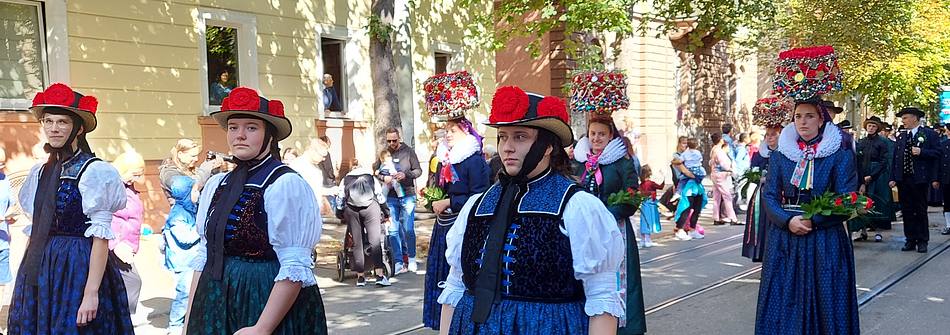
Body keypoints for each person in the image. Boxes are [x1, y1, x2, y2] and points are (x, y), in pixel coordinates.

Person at [438, 86, 625, 334]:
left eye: (520, 137)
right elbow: (454, 287)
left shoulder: (577, 206)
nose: (507, 147)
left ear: (547, 146)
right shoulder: (477, 205)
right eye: (503, 136)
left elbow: (602, 296)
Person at [186, 87, 327, 334]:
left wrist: (262, 328)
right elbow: (205, 255)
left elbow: (295, 265)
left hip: (263, 301)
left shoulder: (284, 184)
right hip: (215, 301)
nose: (240, 135)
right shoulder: (218, 184)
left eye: (251, 127)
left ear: (269, 136)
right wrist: (190, 322)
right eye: (233, 127)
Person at [11, 83, 133, 333]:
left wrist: (91, 293)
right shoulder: (40, 172)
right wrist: (25, 280)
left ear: (78, 129)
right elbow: (35, 228)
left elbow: (100, 238)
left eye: (63, 122)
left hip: (78, 266)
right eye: (48, 121)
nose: (54, 128)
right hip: (42, 267)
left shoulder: (95, 172)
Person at [757, 97, 859, 334]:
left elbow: (846, 200)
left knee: (826, 295)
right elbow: (770, 195)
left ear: (821, 119)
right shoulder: (781, 155)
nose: (803, 122)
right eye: (798, 116)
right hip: (785, 239)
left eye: (809, 116)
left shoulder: (838, 155)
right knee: (784, 295)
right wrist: (787, 220)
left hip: (824, 239)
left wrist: (814, 220)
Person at [420, 70, 490, 331]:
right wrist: (432, 197)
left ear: (464, 129)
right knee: (440, 275)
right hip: (444, 225)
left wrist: (449, 202)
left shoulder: (474, 160)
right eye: (445, 130)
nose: (447, 134)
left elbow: (479, 197)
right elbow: (441, 187)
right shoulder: (446, 159)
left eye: (451, 130)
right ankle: (441, 322)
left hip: (464, 226)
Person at [572, 107, 645, 335]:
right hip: (584, 231)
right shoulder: (580, 162)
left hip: (615, 229)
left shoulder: (622, 163)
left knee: (616, 279)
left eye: (601, 134)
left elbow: (633, 196)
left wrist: (607, 214)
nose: (596, 138)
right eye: (592, 134)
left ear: (610, 136)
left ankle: (623, 327)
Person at [741, 97, 790, 262]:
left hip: (781, 194)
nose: (770, 138)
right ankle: (760, 251)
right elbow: (754, 172)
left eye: (773, 135)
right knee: (761, 221)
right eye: (767, 135)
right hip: (762, 194)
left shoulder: (786, 153)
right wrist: (758, 178)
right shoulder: (759, 154)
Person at [889, 107, 941, 253]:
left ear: (914, 118)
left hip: (919, 179)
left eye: (905, 118)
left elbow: (938, 153)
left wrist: (922, 152)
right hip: (903, 179)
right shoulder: (901, 136)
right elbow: (895, 158)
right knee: (907, 210)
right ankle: (910, 239)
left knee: (920, 210)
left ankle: (922, 240)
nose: (903, 121)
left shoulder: (929, 134)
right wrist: (893, 177)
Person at [109, 150, 149, 326]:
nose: (137, 179)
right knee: (132, 281)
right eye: (134, 174)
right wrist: (115, 243)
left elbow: (131, 214)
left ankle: (120, 319)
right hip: (115, 247)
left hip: (127, 245)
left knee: (123, 283)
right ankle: (123, 318)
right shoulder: (110, 185)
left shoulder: (127, 186)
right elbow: (104, 218)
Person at [338, 159, 392, 287]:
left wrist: (340, 213)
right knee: (375, 241)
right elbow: (380, 196)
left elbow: (340, 198)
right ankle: (379, 275)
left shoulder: (345, 179)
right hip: (370, 208)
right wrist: (386, 211)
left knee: (357, 243)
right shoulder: (370, 178)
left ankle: (360, 277)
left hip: (352, 210)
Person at [378, 128, 423, 274]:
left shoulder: (408, 151)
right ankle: (398, 262)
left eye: (394, 140)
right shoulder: (385, 153)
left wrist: (406, 174)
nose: (391, 143)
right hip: (391, 196)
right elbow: (376, 170)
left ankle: (411, 258)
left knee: (408, 228)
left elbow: (418, 170)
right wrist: (383, 177)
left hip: (407, 194)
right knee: (392, 229)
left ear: (399, 138)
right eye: (389, 141)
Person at [162, 175, 200, 335]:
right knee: (184, 294)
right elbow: (185, 238)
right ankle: (175, 327)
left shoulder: (191, 209)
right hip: (183, 261)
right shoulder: (178, 214)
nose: (197, 194)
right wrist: (202, 228)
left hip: (191, 259)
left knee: (192, 292)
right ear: (185, 193)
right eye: (194, 190)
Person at [855, 116, 895, 242]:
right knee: (862, 202)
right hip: (863, 172)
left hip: (877, 176)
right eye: (869, 126)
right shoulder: (861, 142)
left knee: (876, 202)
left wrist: (872, 176)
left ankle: (878, 231)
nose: (871, 128)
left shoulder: (882, 142)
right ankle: (863, 230)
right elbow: (858, 159)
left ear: (877, 128)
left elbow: (884, 161)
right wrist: (862, 176)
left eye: (873, 126)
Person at [159, 139, 220, 203]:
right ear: (180, 154)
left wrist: (214, 170)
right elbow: (188, 188)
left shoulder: (192, 170)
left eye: (197, 155)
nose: (196, 159)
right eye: (193, 156)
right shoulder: (168, 172)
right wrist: (206, 169)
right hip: (183, 212)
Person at [672, 138, 707, 240]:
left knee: (697, 207)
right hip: (689, 185)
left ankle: (692, 229)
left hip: (697, 185)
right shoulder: (684, 156)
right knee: (686, 207)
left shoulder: (686, 154)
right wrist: (695, 175)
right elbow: (685, 171)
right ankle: (679, 229)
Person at [709, 133, 740, 225]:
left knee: (717, 197)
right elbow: (724, 164)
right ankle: (732, 218)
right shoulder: (719, 151)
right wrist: (730, 169)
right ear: (720, 140)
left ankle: (716, 217)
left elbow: (711, 162)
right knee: (727, 196)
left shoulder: (713, 149)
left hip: (715, 174)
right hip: (721, 175)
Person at [0, 147, 15, 335]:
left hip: (3, 240)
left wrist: (10, 215)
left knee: (2, 283)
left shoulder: (6, 180)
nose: (1, 168)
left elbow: (11, 204)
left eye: (3, 164)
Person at [638, 165, 663, 248]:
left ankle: (642, 239)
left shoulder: (641, 184)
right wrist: (663, 177)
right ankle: (648, 239)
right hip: (651, 204)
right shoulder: (651, 183)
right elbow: (660, 187)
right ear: (649, 173)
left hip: (643, 204)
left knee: (643, 220)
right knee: (650, 220)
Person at [939, 123, 950, 235]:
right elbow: (940, 163)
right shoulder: (943, 145)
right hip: (946, 178)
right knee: (947, 202)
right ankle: (948, 225)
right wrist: (936, 178)